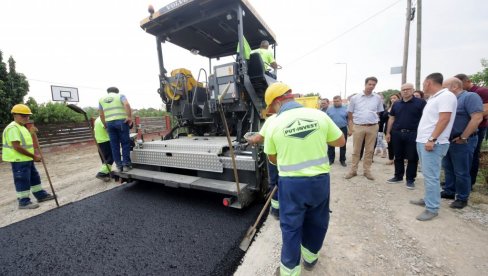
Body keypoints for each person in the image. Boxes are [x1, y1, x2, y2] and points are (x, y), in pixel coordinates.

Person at [263, 82, 345, 276]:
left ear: (277, 102)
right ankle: (310, 258)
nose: (273, 111)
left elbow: (272, 158)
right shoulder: (319, 115)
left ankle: (289, 271)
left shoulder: (274, 123)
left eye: (272, 107)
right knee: (318, 221)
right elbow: (340, 141)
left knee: (291, 226)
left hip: (291, 185)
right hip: (319, 181)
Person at [410, 73, 457, 221]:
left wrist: (432, 139)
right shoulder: (434, 97)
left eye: (424, 83)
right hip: (424, 141)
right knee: (427, 174)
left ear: (429, 83)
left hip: (433, 143)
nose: (423, 86)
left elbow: (444, 119)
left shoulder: (446, 96)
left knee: (432, 177)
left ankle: (432, 208)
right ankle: (428, 199)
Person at [2, 104, 56, 209]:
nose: (26, 118)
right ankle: (23, 201)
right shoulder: (13, 128)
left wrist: (32, 134)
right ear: (15, 115)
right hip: (18, 160)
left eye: (27, 116)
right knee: (22, 179)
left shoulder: (22, 127)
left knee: (34, 177)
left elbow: (30, 145)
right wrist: (34, 156)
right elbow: (17, 147)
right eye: (23, 115)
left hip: (26, 158)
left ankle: (40, 195)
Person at [440, 78, 483, 208]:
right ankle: (449, 191)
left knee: (461, 170)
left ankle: (462, 197)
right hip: (449, 140)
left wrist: (463, 137)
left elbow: (477, 118)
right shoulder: (450, 100)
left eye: (444, 87)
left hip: (463, 141)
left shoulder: (470, 96)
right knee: (448, 168)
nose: (442, 91)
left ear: (454, 87)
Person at [385, 83, 426, 189]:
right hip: (397, 133)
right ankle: (398, 176)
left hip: (413, 133)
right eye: (403, 89)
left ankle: (410, 179)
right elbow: (391, 118)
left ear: (413, 90)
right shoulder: (397, 104)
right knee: (398, 156)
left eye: (408, 89)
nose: (405, 91)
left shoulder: (421, 103)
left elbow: (425, 119)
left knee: (412, 157)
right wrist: (388, 132)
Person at [345, 76, 384, 180]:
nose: (371, 86)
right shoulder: (355, 98)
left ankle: (367, 171)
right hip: (358, 126)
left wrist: (371, 119)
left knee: (370, 150)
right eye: (369, 84)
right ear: (365, 84)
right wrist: (352, 124)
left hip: (372, 127)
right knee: (356, 150)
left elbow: (379, 111)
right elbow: (350, 112)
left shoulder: (377, 98)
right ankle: (353, 170)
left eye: (373, 85)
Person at [454, 74, 488, 187]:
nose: (458, 87)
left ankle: (470, 183)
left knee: (472, 155)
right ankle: (455, 182)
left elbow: (483, 112)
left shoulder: (481, 91)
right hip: (460, 129)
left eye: (460, 84)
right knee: (458, 157)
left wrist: (468, 111)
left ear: (468, 81)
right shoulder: (460, 95)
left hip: (477, 128)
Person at [245, 112, 280, 219]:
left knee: (275, 183)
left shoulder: (272, 119)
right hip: (290, 158)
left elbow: (257, 139)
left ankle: (276, 211)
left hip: (275, 156)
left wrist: (249, 139)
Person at [99, 87, 133, 172]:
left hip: (109, 123)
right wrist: (129, 117)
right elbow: (127, 104)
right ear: (117, 92)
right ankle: (126, 165)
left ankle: (119, 166)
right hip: (121, 122)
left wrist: (105, 124)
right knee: (125, 143)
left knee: (114, 146)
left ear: (108, 92)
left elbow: (101, 114)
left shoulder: (101, 99)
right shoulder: (120, 96)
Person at [326, 95, 348, 166]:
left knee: (343, 144)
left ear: (341, 101)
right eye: (334, 101)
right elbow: (326, 120)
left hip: (343, 128)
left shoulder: (346, 109)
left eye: (337, 101)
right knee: (331, 145)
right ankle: (331, 159)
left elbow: (349, 119)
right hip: (332, 129)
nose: (335, 103)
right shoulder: (329, 110)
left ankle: (342, 160)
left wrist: (350, 129)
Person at [94, 116, 114, 182]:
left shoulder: (97, 119)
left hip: (99, 142)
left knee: (104, 159)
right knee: (110, 158)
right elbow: (108, 129)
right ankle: (101, 174)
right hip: (105, 141)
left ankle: (107, 173)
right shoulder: (103, 119)